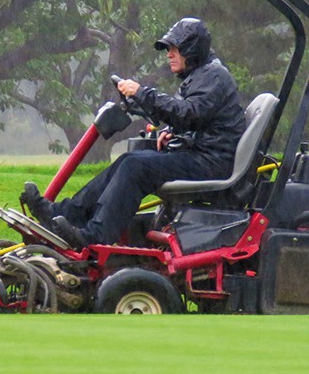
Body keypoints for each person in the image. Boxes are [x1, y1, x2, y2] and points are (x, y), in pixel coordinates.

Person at [21, 17, 246, 248]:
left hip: (211, 163)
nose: (168, 54)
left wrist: (142, 93)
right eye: (168, 49)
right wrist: (172, 131)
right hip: (203, 154)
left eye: (174, 48)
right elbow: (199, 119)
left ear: (192, 49)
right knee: (128, 159)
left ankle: (95, 237)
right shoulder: (202, 75)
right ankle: (64, 214)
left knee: (135, 167)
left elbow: (190, 113)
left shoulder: (213, 76)